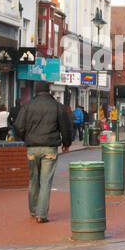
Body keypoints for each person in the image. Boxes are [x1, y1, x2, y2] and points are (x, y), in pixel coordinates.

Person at [14, 87, 73, 223]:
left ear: (37, 91)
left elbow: (18, 125)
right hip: (49, 147)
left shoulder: (28, 105)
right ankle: (41, 214)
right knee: (45, 181)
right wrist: (66, 143)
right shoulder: (57, 106)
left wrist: (26, 137)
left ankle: (34, 210)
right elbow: (65, 127)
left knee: (33, 179)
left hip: (32, 148)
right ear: (49, 91)